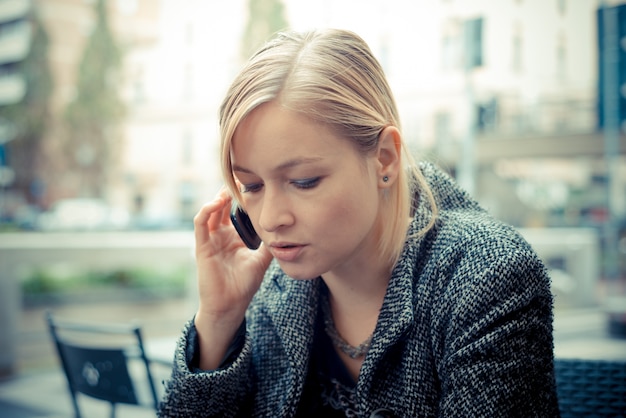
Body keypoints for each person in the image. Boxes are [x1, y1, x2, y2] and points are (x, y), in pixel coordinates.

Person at [158, 28, 559, 417]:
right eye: (251, 185)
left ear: (384, 158)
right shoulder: (269, 289)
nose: (269, 219)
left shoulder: (487, 278)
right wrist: (218, 320)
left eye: (304, 181)